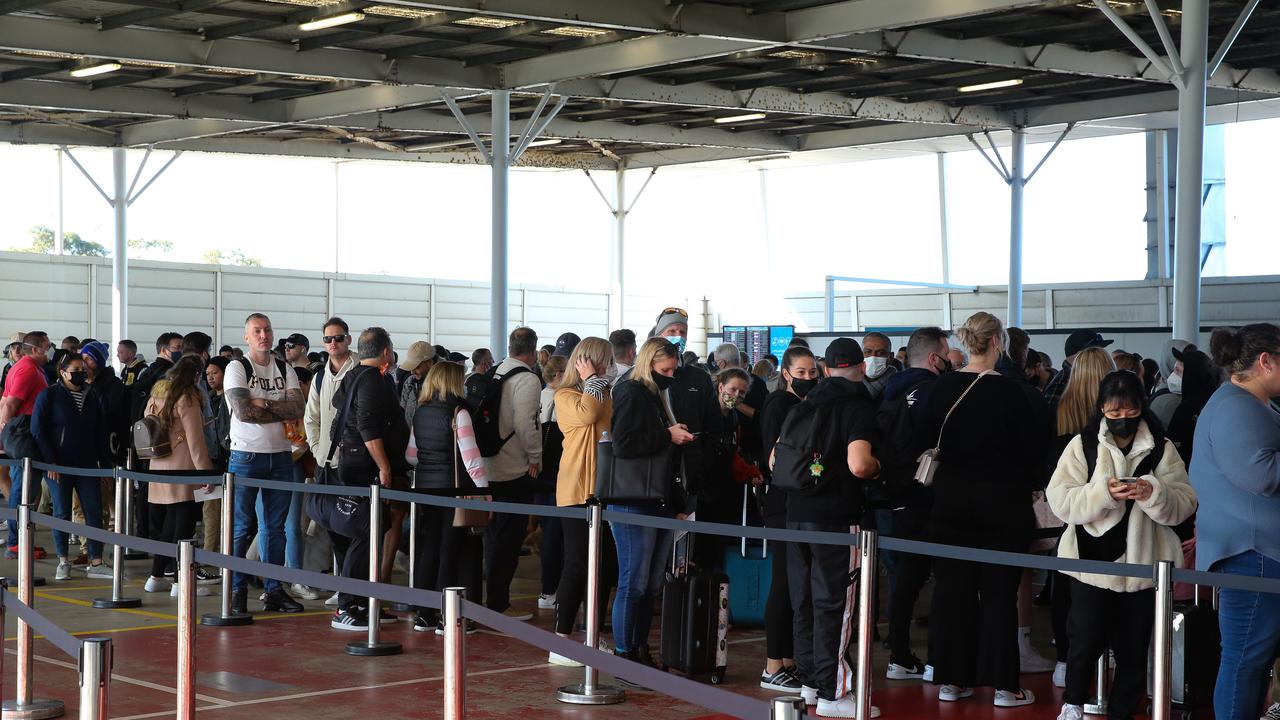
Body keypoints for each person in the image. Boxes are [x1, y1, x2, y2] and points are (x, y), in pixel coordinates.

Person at [1047, 370, 1196, 720]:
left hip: (1145, 567)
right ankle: (1072, 704)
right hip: (1091, 564)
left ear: (1142, 408)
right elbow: (1061, 500)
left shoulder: (1162, 448)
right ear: (1101, 409)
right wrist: (1102, 494)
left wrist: (1152, 492)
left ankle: (1122, 712)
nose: (1122, 421)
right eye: (1114, 414)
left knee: (1133, 649)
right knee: (1084, 641)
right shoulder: (1082, 446)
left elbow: (1185, 503)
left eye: (1130, 413)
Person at [918, 312, 1046, 708]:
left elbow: (922, 439)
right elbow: (1033, 453)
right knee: (998, 594)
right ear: (997, 343)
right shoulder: (1012, 393)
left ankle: (951, 680)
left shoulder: (940, 389)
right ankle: (1005, 685)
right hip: (1002, 505)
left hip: (950, 502)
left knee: (952, 591)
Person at [778, 337, 881, 719]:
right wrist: (880, 468)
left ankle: (810, 681)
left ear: (825, 368)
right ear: (861, 366)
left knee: (804, 599)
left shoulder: (806, 403)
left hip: (795, 513)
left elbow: (777, 456)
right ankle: (834, 692)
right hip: (837, 516)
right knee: (835, 603)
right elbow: (859, 464)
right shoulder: (857, 405)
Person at [1190, 324, 1280, 720]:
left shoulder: (1249, 404)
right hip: (1252, 552)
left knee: (1252, 660)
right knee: (1245, 659)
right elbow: (1260, 475)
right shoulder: (1235, 407)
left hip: (1256, 550)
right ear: (1266, 362)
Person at [609, 337, 695, 681]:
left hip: (656, 500)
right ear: (649, 364)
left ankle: (638, 649)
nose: (671, 375)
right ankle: (624, 654)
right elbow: (624, 443)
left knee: (650, 583)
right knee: (635, 582)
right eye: (666, 370)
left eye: (674, 369)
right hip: (634, 500)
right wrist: (667, 435)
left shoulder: (653, 394)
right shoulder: (632, 392)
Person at [879, 327, 952, 683]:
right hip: (932, 495)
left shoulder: (887, 390)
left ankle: (900, 655)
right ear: (935, 358)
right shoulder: (938, 392)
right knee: (946, 577)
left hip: (895, 495)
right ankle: (939, 661)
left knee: (905, 577)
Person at [328, 327, 410, 630]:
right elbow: (366, 425)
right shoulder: (374, 380)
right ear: (386, 352)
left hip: (351, 463)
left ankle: (365, 601)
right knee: (366, 533)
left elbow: (340, 410)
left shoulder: (352, 376)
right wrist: (385, 466)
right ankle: (348, 607)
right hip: (365, 468)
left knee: (368, 533)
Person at [224, 313, 305, 615]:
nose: (263, 335)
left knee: (276, 528)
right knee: (242, 526)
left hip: (281, 454)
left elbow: (297, 407)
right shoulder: (237, 366)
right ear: (247, 337)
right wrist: (278, 409)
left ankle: (274, 590)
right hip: (246, 455)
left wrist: (264, 404)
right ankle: (236, 588)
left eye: (267, 330)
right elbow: (243, 412)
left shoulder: (285, 367)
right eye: (257, 331)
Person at [1044, 345, 1115, 685]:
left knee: (1066, 584)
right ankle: (1107, 653)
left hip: (1066, 510)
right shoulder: (1116, 416)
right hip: (1109, 512)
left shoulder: (1057, 408)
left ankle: (1064, 659)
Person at [548, 337, 617, 665]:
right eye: (600, 361)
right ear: (585, 363)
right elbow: (588, 416)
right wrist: (592, 381)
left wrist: (598, 385)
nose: (606, 367)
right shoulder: (566, 395)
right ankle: (560, 639)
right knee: (576, 562)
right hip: (575, 488)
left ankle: (591, 633)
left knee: (604, 565)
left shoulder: (603, 393)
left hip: (602, 489)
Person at [755, 344, 820, 693]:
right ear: (785, 374)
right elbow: (776, 458)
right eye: (801, 373)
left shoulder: (799, 404)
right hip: (782, 503)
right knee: (782, 583)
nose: (808, 378)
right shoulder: (781, 404)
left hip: (793, 503)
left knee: (793, 584)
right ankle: (772, 665)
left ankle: (788, 660)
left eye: (813, 372)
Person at [410, 361, 487, 633]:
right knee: (450, 551)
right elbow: (471, 458)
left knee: (428, 549)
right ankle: (448, 616)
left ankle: (424, 613)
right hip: (454, 491)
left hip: (427, 491)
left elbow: (411, 455)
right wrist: (483, 491)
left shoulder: (421, 411)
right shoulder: (459, 412)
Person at [142, 355, 218, 598]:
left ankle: (155, 576)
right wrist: (206, 472)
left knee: (168, 526)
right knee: (184, 527)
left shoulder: (156, 395)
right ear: (196, 375)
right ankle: (180, 581)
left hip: (158, 465)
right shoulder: (187, 397)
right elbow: (195, 441)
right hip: (183, 467)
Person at [31, 353, 113, 580]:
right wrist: (50, 461)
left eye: (83, 369)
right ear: (63, 372)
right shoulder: (49, 395)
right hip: (59, 466)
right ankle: (63, 561)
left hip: (87, 465)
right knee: (61, 512)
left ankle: (96, 560)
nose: (81, 373)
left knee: (94, 512)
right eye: (76, 369)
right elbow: (38, 430)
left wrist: (105, 465)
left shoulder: (92, 395)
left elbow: (100, 431)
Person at [484, 326, 543, 620]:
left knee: (493, 536)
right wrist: (535, 458)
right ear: (533, 351)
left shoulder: (493, 373)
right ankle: (499, 603)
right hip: (513, 468)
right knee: (509, 539)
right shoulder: (528, 379)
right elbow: (525, 423)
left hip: (487, 465)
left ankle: (491, 597)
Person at [303, 317, 357, 607]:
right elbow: (310, 418)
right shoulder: (320, 377)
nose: (333, 343)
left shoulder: (360, 372)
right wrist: (317, 448)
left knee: (355, 528)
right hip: (327, 464)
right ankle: (342, 585)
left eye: (338, 338)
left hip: (354, 465)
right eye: (328, 339)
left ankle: (354, 588)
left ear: (349, 340)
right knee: (333, 528)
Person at [1, 331, 52, 558]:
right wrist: (5, 431)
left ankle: (20, 539)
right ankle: (15, 542)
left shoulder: (29, 368)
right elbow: (9, 403)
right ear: (35, 349)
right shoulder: (27, 369)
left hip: (26, 429)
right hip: (24, 430)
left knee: (25, 486)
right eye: (47, 346)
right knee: (23, 488)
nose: (51, 349)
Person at [536, 354, 569, 611]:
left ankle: (548, 589)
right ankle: (551, 589)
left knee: (550, 531)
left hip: (542, 473)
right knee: (556, 535)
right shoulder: (561, 399)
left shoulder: (540, 395)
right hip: (557, 472)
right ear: (559, 374)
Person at [1164, 347, 1218, 466]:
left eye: (1178, 371)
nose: (1174, 376)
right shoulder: (1218, 401)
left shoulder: (1186, 410)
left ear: (1191, 374)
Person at [1043, 330, 1113, 409]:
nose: (1101, 356)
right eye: (1095, 352)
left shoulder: (1085, 379)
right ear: (1079, 355)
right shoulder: (1061, 383)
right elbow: (1050, 418)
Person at [397, 341, 438, 427]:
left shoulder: (442, 385)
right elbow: (402, 409)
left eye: (417, 367)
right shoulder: (410, 382)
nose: (412, 372)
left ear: (430, 363)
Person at [861, 332, 897, 400]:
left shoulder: (900, 386)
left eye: (881, 353)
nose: (873, 357)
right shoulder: (849, 384)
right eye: (868, 352)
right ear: (860, 355)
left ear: (891, 357)